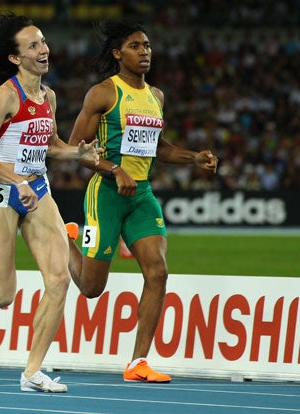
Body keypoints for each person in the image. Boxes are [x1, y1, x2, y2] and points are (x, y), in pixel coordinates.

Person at [0, 10, 101, 393]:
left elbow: (50, 145)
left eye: (43, 41)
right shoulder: (7, 95)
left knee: (59, 280)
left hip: (38, 190)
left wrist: (77, 152)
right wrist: (15, 181)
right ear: (15, 58)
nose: (44, 49)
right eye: (33, 45)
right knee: (1, 297)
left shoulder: (50, 97)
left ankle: (32, 372)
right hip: (0, 194)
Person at [65, 20, 219, 383]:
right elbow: (77, 151)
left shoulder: (156, 97)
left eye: (147, 45)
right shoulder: (102, 94)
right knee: (91, 289)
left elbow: (159, 148)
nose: (145, 51)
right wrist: (114, 170)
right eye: (135, 46)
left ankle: (138, 362)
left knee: (158, 271)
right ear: (118, 53)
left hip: (142, 196)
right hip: (106, 195)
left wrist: (193, 157)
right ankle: (65, 237)